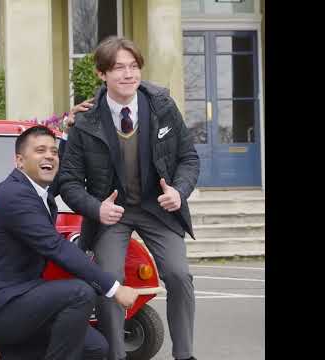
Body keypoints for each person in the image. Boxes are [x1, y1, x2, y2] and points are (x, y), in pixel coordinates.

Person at [59, 36, 200, 360]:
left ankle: (185, 354)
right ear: (102, 74)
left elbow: (189, 158)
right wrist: (97, 208)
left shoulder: (163, 106)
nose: (128, 74)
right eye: (119, 67)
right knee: (110, 279)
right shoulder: (85, 121)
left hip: (158, 209)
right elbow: (68, 181)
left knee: (179, 275)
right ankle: (116, 354)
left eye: (133, 66)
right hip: (113, 214)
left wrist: (178, 191)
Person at [0, 124, 139, 360]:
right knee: (80, 292)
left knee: (95, 348)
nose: (49, 155)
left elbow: (62, 173)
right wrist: (115, 288)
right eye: (40, 150)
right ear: (19, 161)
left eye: (53, 151)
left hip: (27, 298)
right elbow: (55, 247)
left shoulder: (38, 190)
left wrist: (71, 129)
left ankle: (5, 354)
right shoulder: (13, 195)